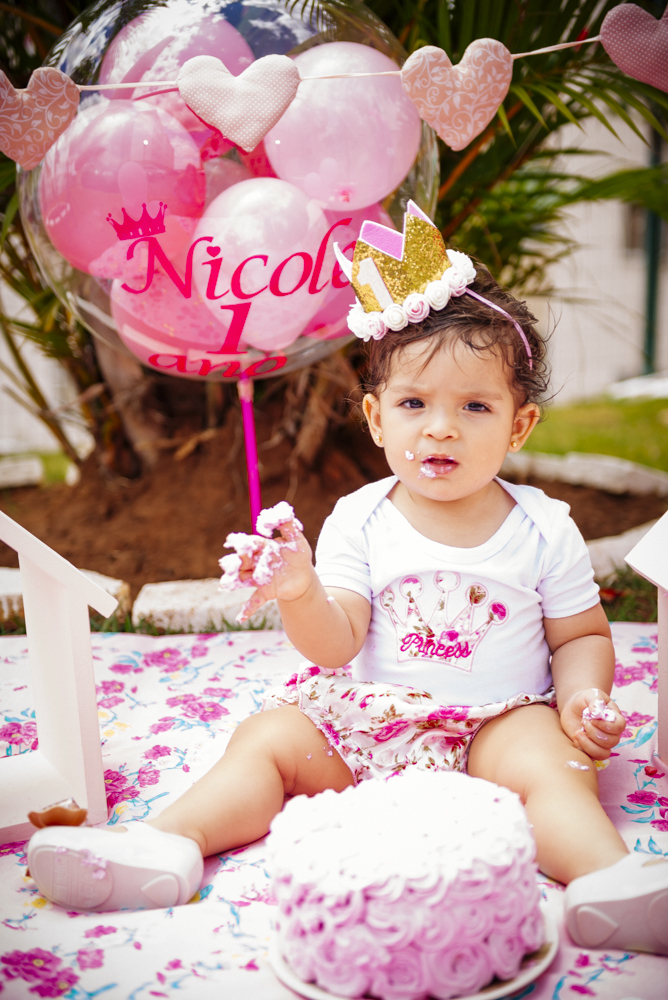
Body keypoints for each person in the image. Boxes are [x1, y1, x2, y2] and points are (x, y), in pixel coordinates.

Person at [28, 204, 667, 955]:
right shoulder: (360, 519)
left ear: (518, 425)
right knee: (268, 740)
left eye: (475, 406)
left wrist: (584, 695)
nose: (440, 427)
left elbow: (580, 636)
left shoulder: (543, 527)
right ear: (375, 417)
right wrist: (302, 591)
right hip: (368, 731)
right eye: (413, 404)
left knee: (555, 765)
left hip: (495, 729)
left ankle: (609, 879)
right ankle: (167, 842)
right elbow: (336, 647)